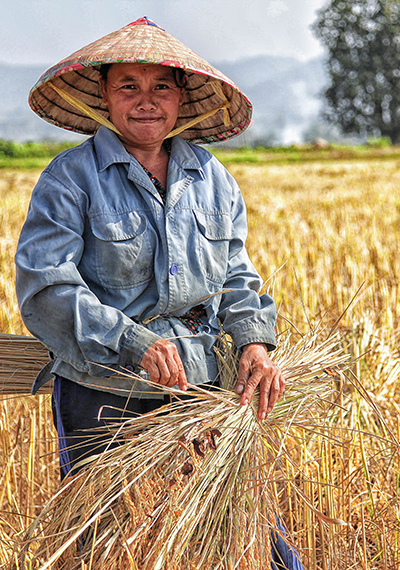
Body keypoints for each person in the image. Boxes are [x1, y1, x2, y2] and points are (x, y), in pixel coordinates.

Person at [15, 17, 303, 569]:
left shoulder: (210, 176)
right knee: (102, 544)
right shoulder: (70, 178)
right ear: (104, 95)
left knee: (248, 534)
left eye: (160, 87)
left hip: (205, 387)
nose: (146, 102)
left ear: (181, 97)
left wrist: (253, 342)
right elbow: (45, 287)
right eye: (129, 86)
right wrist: (132, 341)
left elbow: (237, 274)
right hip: (105, 390)